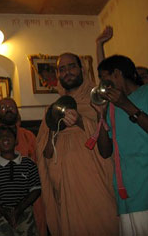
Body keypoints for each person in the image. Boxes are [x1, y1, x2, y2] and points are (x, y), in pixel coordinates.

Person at [36, 52, 118, 235]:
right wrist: (55, 129)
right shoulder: (51, 111)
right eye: (62, 69)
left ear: (81, 69)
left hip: (97, 187)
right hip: (66, 190)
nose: (67, 72)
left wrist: (80, 121)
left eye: (71, 66)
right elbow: (46, 155)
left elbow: (107, 149)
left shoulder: (98, 100)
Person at [95, 55, 148, 235]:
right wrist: (101, 115)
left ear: (117, 74)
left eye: (105, 79)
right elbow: (104, 151)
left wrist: (126, 105)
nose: (103, 85)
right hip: (125, 195)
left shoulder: (147, 93)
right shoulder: (111, 106)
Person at [0, 98, 46, 236]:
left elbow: (38, 170)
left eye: (12, 106)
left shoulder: (28, 135)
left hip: (29, 205)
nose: (8, 109)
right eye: (4, 107)